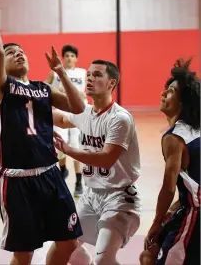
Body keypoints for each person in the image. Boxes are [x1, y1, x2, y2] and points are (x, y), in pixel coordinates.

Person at [0, 0, 86, 265]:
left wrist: (60, 72)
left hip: (51, 175)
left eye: (21, 51)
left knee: (69, 243)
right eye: (11, 53)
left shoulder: (43, 89)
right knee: (24, 253)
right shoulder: (0, 89)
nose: (18, 54)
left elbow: (77, 107)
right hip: (18, 181)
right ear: (1, 66)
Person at [52, 59, 141, 265]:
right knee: (64, 246)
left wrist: (68, 150)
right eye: (89, 74)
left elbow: (107, 159)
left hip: (119, 197)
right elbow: (60, 118)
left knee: (104, 259)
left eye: (97, 75)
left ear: (111, 83)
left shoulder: (119, 118)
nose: (90, 78)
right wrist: (27, 102)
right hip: (91, 196)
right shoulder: (85, 114)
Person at [139, 58, 200, 265]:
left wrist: (156, 222)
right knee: (147, 257)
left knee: (152, 255)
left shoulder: (174, 138)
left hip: (195, 216)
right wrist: (173, 209)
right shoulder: (195, 129)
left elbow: (168, 187)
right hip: (189, 208)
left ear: (182, 103)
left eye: (171, 91)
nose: (164, 93)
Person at [46, 44, 86, 196]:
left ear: (76, 59)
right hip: (59, 113)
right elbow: (44, 87)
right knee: (59, 143)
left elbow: (86, 92)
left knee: (75, 146)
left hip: (77, 113)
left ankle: (78, 181)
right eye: (67, 55)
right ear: (62, 58)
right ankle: (63, 170)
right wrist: (56, 92)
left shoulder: (83, 73)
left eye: (72, 56)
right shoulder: (54, 73)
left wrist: (74, 92)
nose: (69, 58)